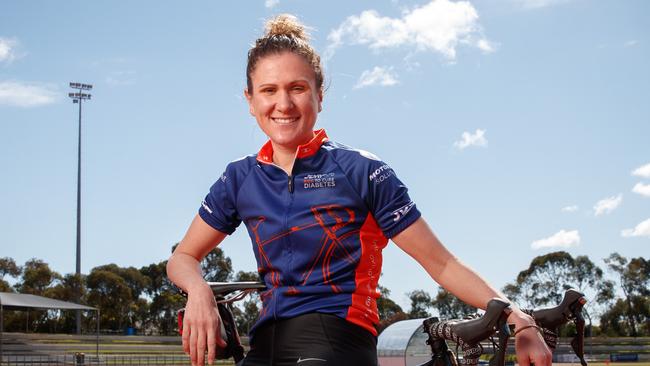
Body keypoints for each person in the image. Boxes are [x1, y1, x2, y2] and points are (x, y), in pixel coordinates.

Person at [167, 14, 552, 366]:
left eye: (297, 88)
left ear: (320, 95)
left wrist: (519, 319)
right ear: (250, 101)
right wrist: (199, 291)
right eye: (269, 90)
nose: (283, 103)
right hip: (264, 343)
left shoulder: (362, 171)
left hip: (337, 339)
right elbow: (183, 256)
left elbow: (442, 263)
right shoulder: (239, 178)